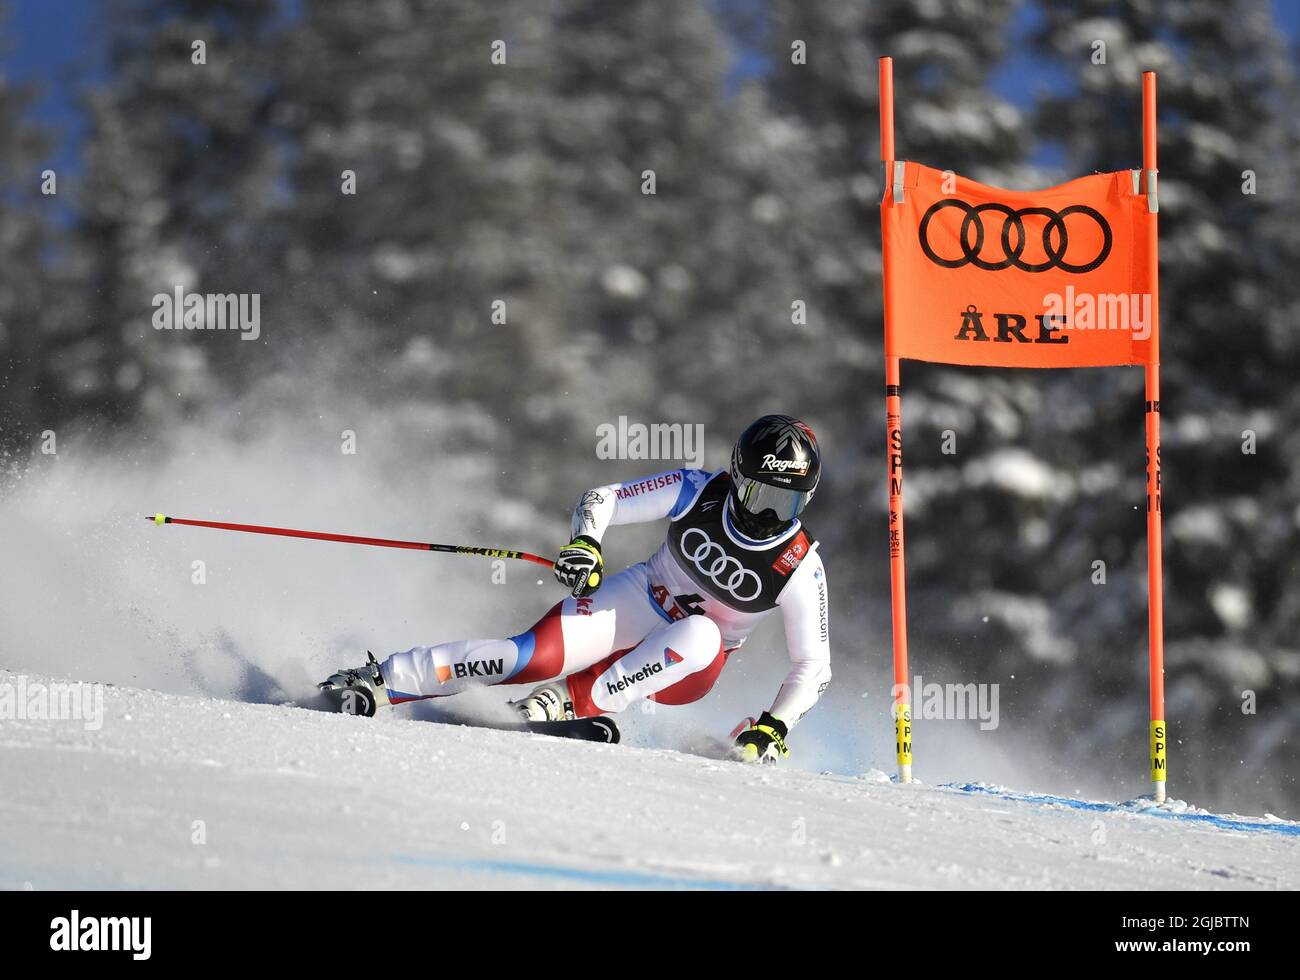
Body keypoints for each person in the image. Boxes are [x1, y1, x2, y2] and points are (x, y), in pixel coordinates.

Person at [320, 414, 831, 763]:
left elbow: (814, 665)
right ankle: (380, 680)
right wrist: (586, 543)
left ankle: (569, 702)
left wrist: (774, 727)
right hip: (639, 597)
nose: (769, 515)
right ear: (738, 479)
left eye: (786, 504)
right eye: (761, 496)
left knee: (700, 632)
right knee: (522, 658)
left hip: (690, 664)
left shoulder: (799, 563)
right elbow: (603, 499)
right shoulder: (698, 491)